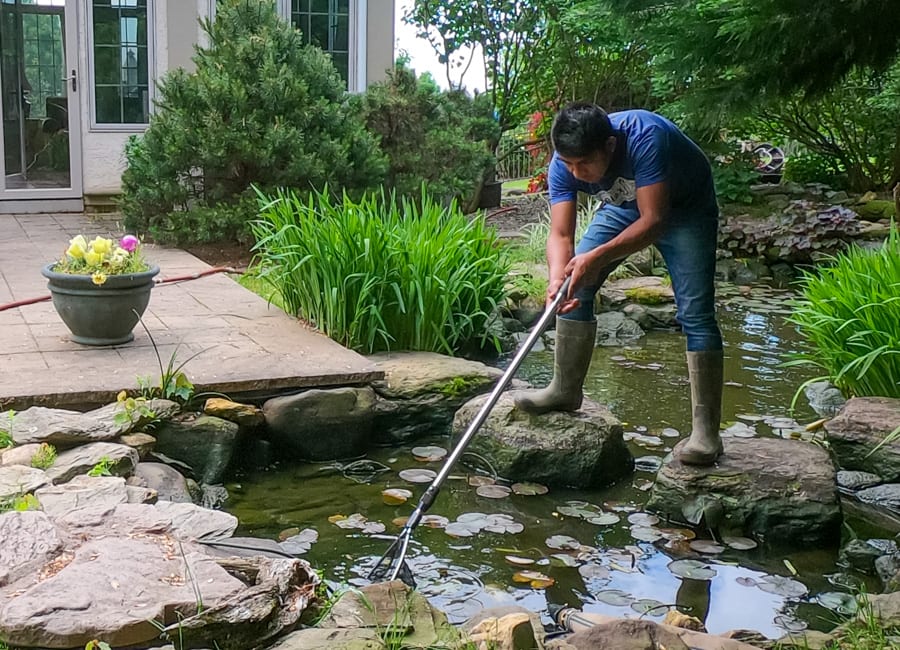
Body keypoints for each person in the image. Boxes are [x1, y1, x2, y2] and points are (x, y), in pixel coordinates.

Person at [514, 102, 723, 466]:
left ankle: (706, 434)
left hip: (686, 209)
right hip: (625, 208)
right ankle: (565, 391)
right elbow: (561, 233)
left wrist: (596, 259)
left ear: (610, 146)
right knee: (575, 284)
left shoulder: (645, 137)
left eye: (585, 165)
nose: (576, 172)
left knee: (695, 312)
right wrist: (557, 278)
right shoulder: (566, 162)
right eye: (569, 165)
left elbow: (655, 219)